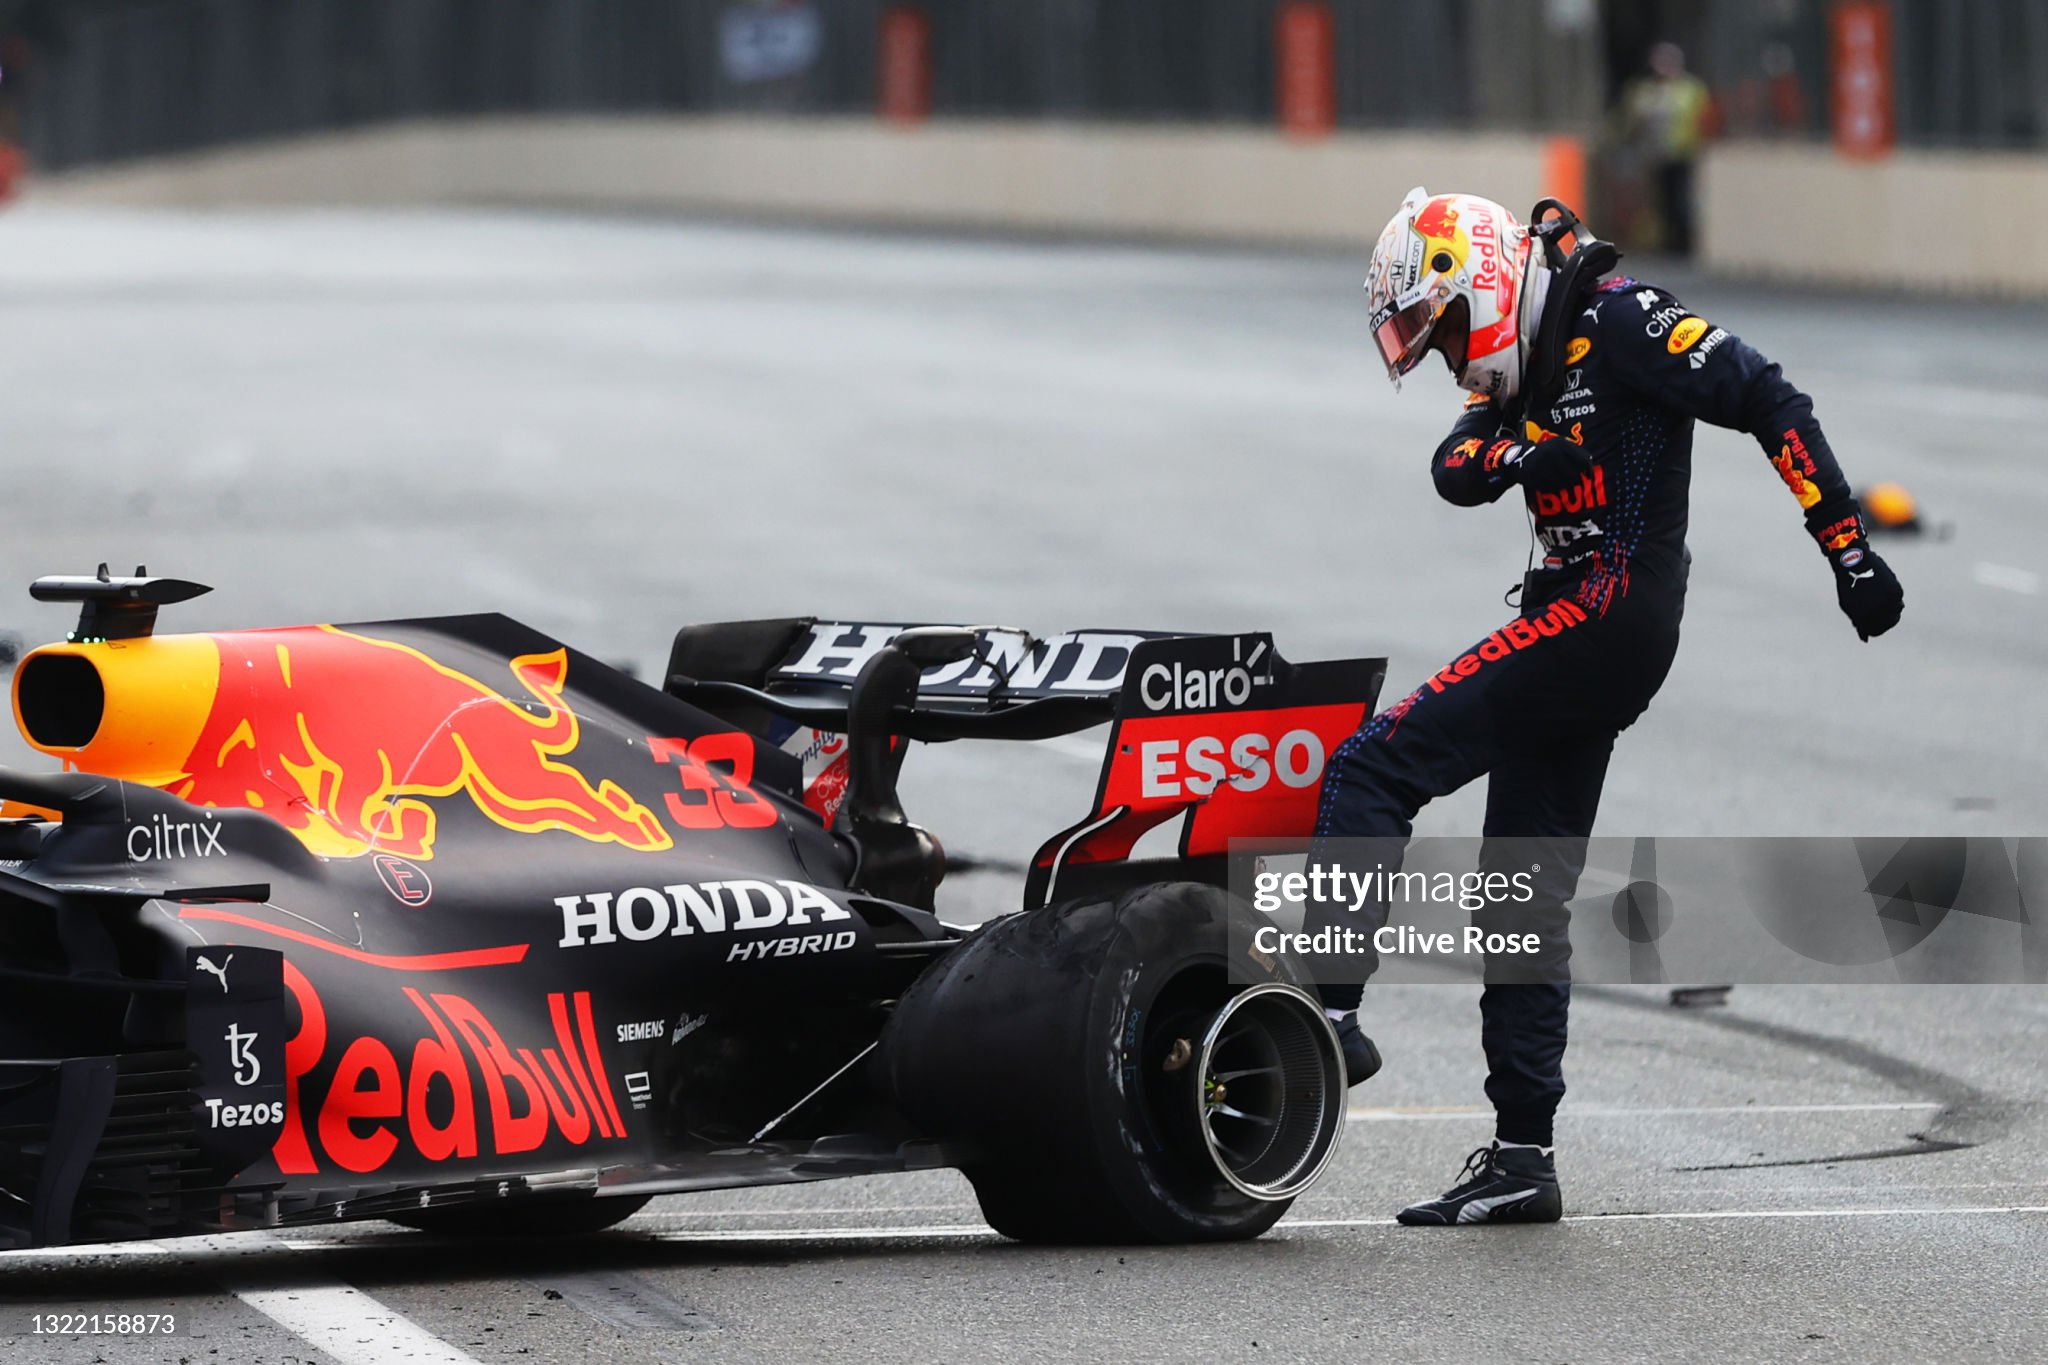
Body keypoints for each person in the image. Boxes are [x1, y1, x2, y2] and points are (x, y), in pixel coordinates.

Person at [1312, 188, 1902, 1225]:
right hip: (1579, 624)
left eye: (1442, 330)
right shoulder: (1523, 347)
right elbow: (1452, 467)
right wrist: (1515, 455)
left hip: (1605, 614)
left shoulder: (1622, 320)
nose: (1447, 358)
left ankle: (1323, 1013)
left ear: (1479, 281)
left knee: (1368, 769)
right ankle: (1520, 1158)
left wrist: (1844, 548)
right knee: (1518, 897)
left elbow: (1768, 395)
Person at [1625, 42, 1712, 255]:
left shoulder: (1690, 89)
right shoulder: (1645, 91)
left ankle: (1683, 242)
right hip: (1654, 156)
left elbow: (1704, 119)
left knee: (1682, 200)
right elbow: (1633, 122)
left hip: (1683, 155)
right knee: (1660, 202)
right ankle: (1665, 241)